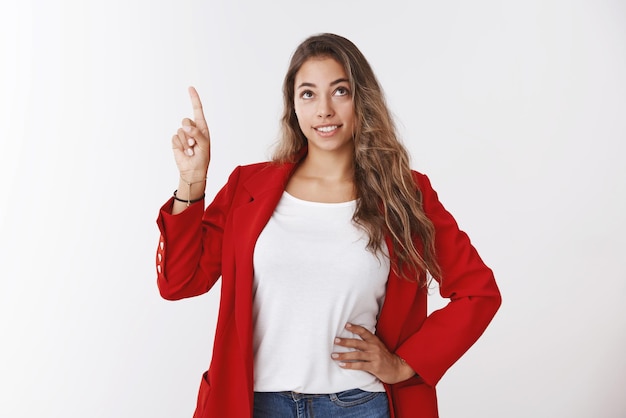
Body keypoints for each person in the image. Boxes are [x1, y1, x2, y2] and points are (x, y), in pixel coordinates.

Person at [156, 33, 501, 418]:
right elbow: (179, 282)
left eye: (340, 91)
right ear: (293, 107)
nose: (324, 109)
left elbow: (478, 292)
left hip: (358, 404)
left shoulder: (405, 192)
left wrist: (405, 364)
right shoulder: (247, 188)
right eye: (308, 94)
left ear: (361, 100)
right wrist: (192, 180)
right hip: (255, 404)